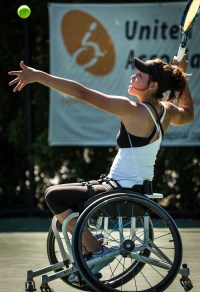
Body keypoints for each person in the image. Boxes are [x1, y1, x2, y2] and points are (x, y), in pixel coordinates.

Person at [8, 55, 194, 281]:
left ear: (153, 85)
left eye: (140, 75)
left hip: (121, 194)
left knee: (53, 196)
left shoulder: (131, 109)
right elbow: (188, 114)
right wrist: (182, 77)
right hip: (135, 192)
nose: (133, 76)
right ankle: (91, 246)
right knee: (64, 204)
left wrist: (39, 76)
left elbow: (82, 93)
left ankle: (96, 249)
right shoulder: (166, 111)